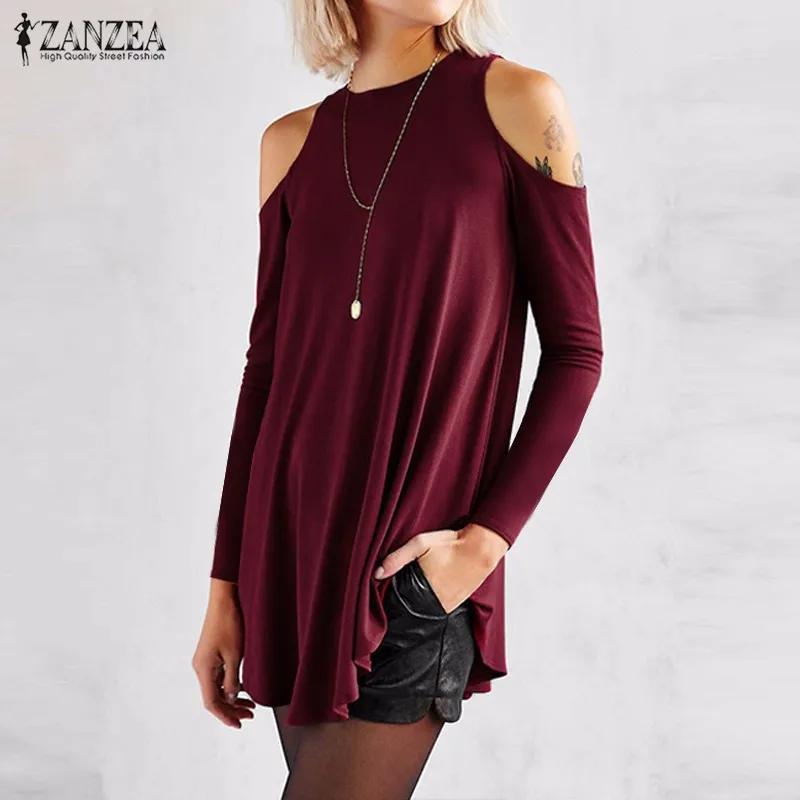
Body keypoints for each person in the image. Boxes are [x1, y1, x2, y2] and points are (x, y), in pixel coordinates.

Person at [192, 0, 604, 796]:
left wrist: (478, 550)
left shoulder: (519, 103)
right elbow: (265, 375)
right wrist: (225, 587)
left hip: (408, 569)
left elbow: (577, 352)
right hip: (289, 560)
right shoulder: (289, 144)